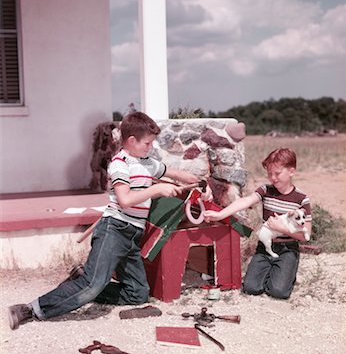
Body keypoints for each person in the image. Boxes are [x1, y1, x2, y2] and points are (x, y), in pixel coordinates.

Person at [9, 111, 212, 329]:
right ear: (132, 140)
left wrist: (201, 183)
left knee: (138, 294)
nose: (151, 147)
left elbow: (176, 173)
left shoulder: (146, 162)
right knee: (92, 286)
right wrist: (156, 189)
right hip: (114, 230)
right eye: (147, 143)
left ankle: (83, 280)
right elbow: (125, 199)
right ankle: (31, 309)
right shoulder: (119, 164)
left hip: (133, 234)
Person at [204, 148, 312, 300]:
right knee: (251, 288)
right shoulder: (266, 190)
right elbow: (245, 201)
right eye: (269, 173)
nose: (272, 178)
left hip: (288, 248)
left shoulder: (301, 199)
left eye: (277, 173)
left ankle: (284, 270)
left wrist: (281, 229)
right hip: (265, 246)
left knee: (279, 292)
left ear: (291, 171)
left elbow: (306, 233)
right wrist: (220, 214)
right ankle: (272, 269)